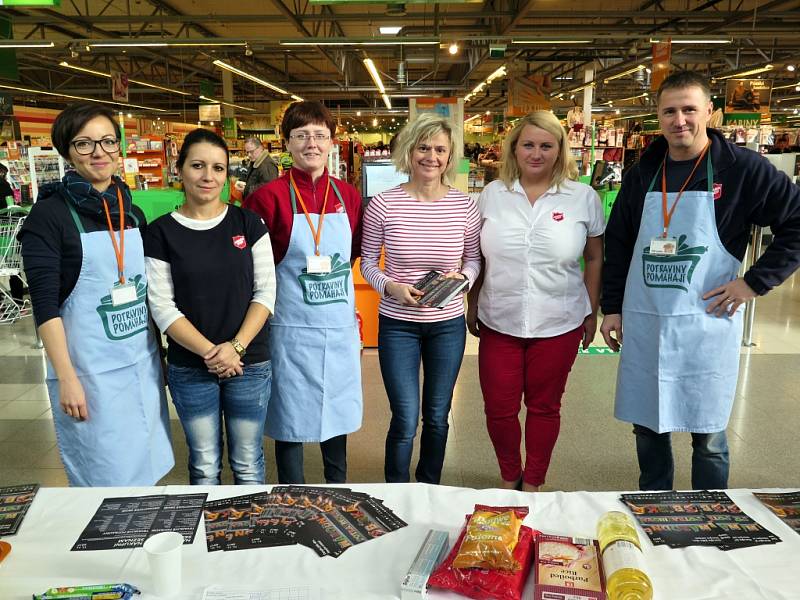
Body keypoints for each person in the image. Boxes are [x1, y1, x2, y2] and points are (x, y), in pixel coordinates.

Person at [600, 70, 800, 491]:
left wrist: (754, 282)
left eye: (689, 109)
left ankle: (711, 509)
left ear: (711, 111)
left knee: (707, 434)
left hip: (707, 321)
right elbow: (618, 244)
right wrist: (612, 307)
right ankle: (653, 503)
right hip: (648, 320)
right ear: (658, 116)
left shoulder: (743, 169)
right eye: (669, 111)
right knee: (648, 424)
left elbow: (796, 221)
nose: (680, 120)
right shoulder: (643, 174)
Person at [18, 103, 173, 486]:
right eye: (84, 144)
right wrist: (67, 378)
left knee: (148, 469)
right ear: (67, 151)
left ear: (119, 147)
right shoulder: (49, 217)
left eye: (107, 141)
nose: (99, 152)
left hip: (141, 365)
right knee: (105, 482)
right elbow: (45, 306)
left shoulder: (130, 211)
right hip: (91, 377)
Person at [466, 111, 604, 492]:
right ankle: (510, 476)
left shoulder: (582, 198)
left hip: (559, 321)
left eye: (546, 145)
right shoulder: (492, 195)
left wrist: (590, 313)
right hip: (499, 320)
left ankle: (534, 484)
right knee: (499, 409)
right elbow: (478, 255)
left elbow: (594, 258)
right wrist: (472, 302)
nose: (536, 153)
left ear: (560, 150)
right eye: (528, 144)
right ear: (514, 148)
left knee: (545, 408)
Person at [144, 128, 276, 485]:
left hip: (249, 360)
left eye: (218, 168)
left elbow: (265, 293)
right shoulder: (160, 233)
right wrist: (212, 353)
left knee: (248, 462)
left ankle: (251, 534)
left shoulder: (247, 224)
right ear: (180, 169)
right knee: (204, 464)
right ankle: (209, 537)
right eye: (198, 165)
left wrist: (235, 348)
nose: (208, 176)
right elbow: (162, 307)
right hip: (190, 365)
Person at [244, 101, 363, 485]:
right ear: (287, 143)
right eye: (301, 135)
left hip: (338, 327)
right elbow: (255, 267)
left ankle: (338, 487)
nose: (311, 143)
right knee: (289, 416)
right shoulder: (267, 198)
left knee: (337, 412)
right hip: (290, 328)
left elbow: (354, 251)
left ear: (331, 142)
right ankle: (291, 491)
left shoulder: (348, 196)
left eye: (320, 135)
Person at [360, 113, 481, 484]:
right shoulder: (383, 204)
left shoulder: (465, 206)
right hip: (398, 326)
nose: (431, 156)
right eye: (424, 147)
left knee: (437, 415)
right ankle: (397, 491)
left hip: (446, 326)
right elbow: (366, 262)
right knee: (405, 417)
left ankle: (430, 486)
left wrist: (462, 279)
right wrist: (391, 287)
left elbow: (474, 259)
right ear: (409, 151)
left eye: (440, 149)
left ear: (450, 156)